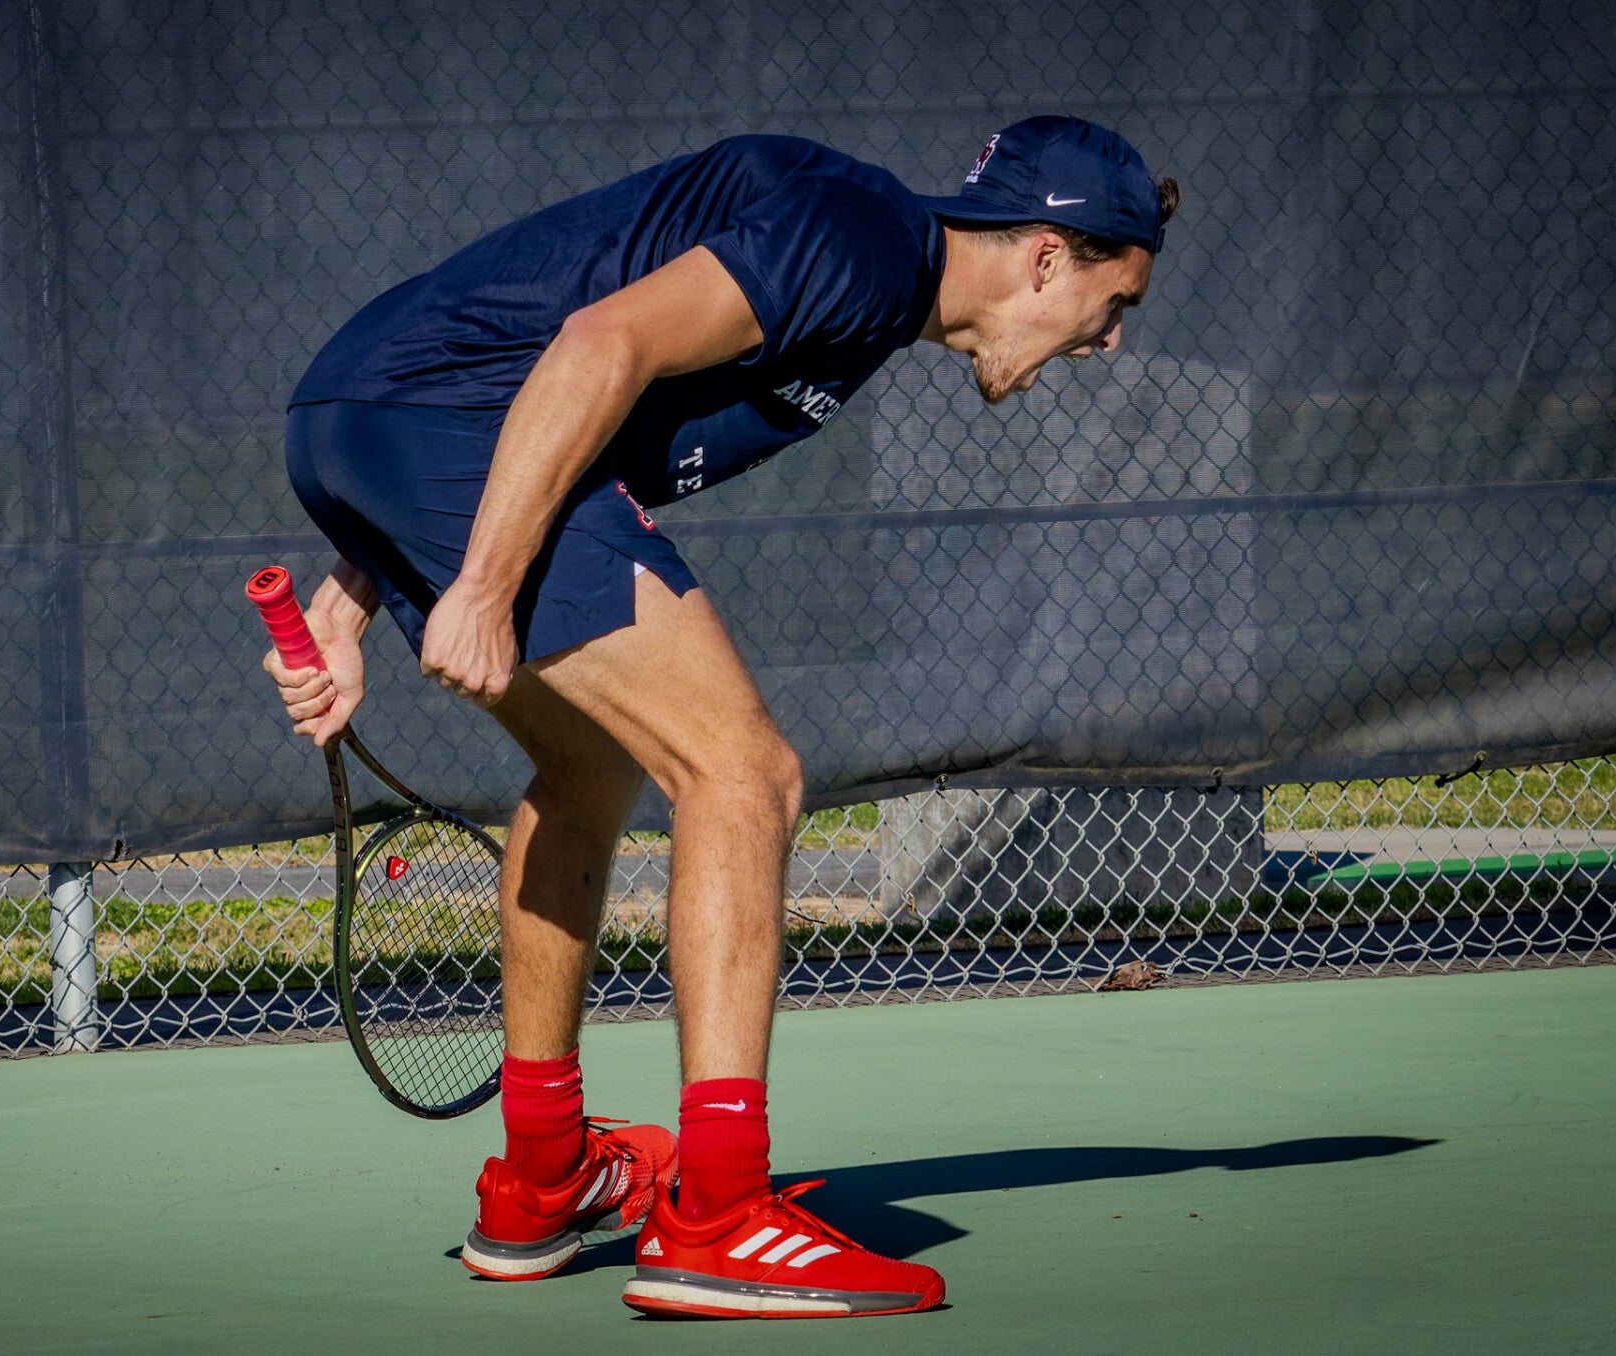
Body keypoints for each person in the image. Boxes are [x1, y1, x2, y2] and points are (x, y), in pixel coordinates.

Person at [265, 115, 1178, 1320]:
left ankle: (541, 1175)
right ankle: (719, 1214)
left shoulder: (866, 287)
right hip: (438, 423)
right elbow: (597, 343)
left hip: (374, 415)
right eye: (1113, 306)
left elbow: (551, 382)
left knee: (589, 767)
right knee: (743, 773)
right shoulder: (861, 242)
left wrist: (353, 589)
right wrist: (479, 585)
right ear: (1048, 259)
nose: (1108, 343)